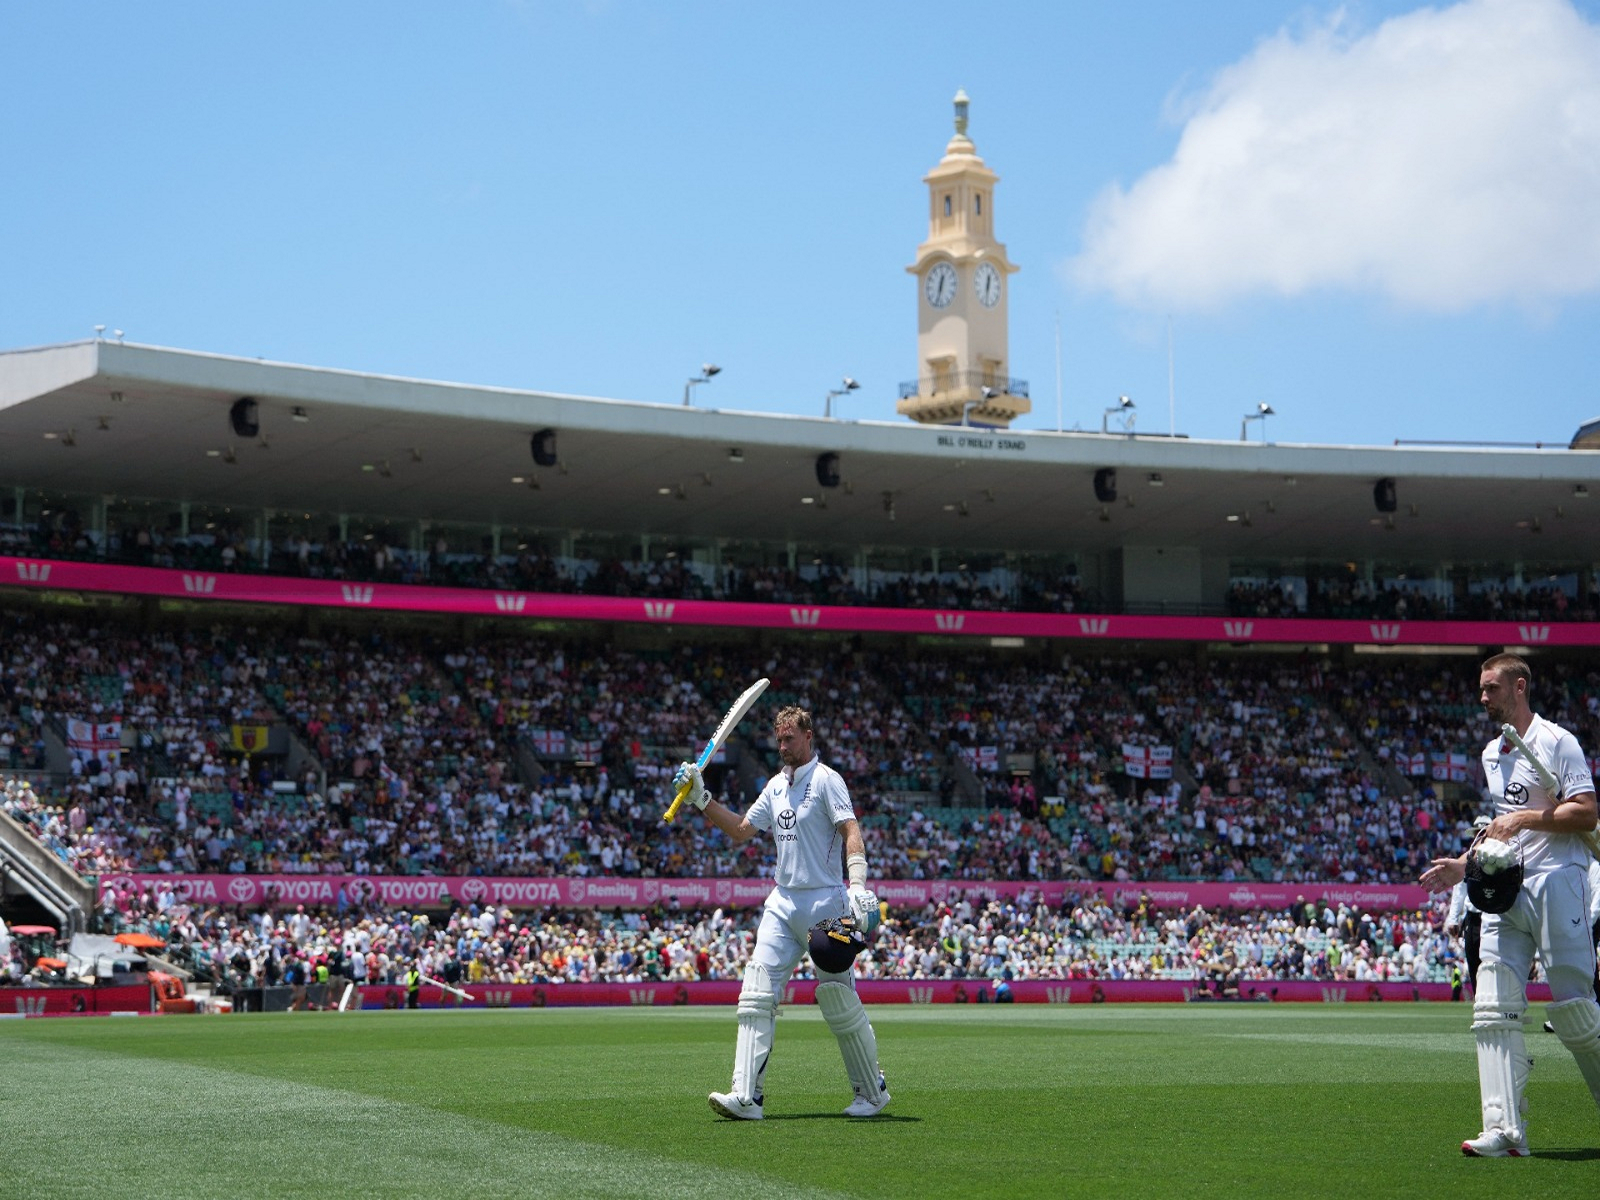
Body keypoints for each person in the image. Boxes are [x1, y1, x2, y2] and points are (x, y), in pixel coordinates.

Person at [1420, 652, 1600, 1157]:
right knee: (1491, 1009)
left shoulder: (1556, 741)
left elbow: (1585, 814)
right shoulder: (1491, 752)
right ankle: (1503, 1131)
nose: (1483, 697)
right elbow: (1500, 825)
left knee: (1575, 1013)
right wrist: (1464, 864)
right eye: (1482, 688)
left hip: (1559, 882)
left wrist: (1524, 819)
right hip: (1507, 886)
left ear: (1519, 687)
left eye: (1491, 687)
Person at [674, 704, 890, 1120]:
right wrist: (702, 798)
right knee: (756, 992)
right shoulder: (775, 786)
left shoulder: (828, 780)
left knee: (838, 999)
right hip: (782, 899)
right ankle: (746, 1097)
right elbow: (740, 831)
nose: (783, 745)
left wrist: (859, 886)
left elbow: (851, 831)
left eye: (790, 738)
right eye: (779, 739)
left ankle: (871, 1092)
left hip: (825, 900)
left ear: (809, 737)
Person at [1444, 816, 1493, 994]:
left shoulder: (1502, 857)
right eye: (1477, 834)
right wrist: (1453, 918)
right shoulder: (1469, 858)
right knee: (1473, 962)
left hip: (1494, 916)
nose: (1480, 837)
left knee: (1494, 961)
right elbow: (1459, 890)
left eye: (1484, 833)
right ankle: (1480, 1002)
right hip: (1473, 918)